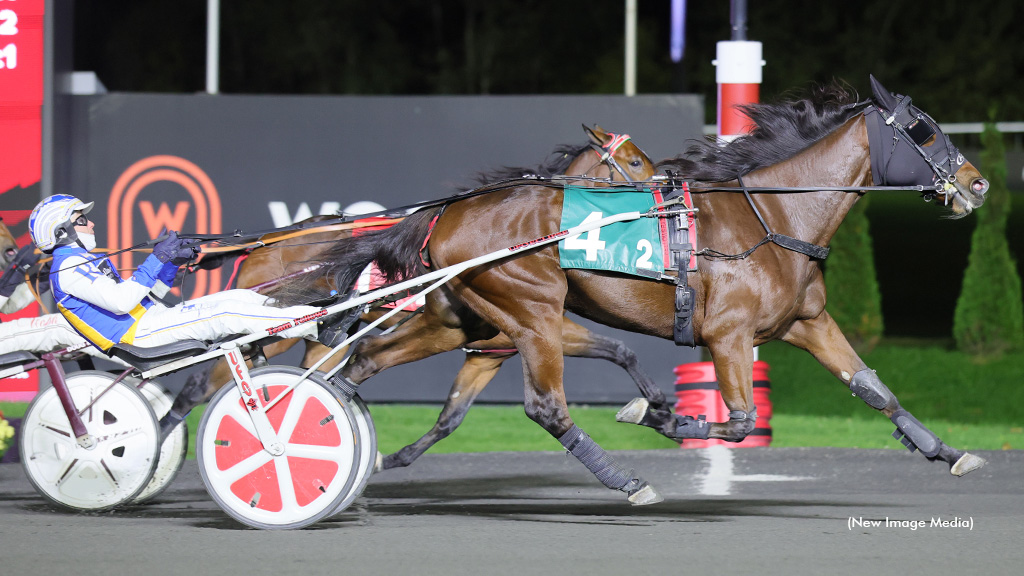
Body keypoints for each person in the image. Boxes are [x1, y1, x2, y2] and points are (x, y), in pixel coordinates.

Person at [29, 194, 347, 432]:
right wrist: (156, 258)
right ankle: (317, 325)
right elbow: (122, 302)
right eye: (81, 219)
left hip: (149, 323)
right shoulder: (68, 267)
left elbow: (146, 297)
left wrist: (171, 264)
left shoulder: (80, 262)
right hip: (138, 338)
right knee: (227, 313)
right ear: (62, 231)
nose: (91, 223)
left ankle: (314, 317)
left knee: (237, 297)